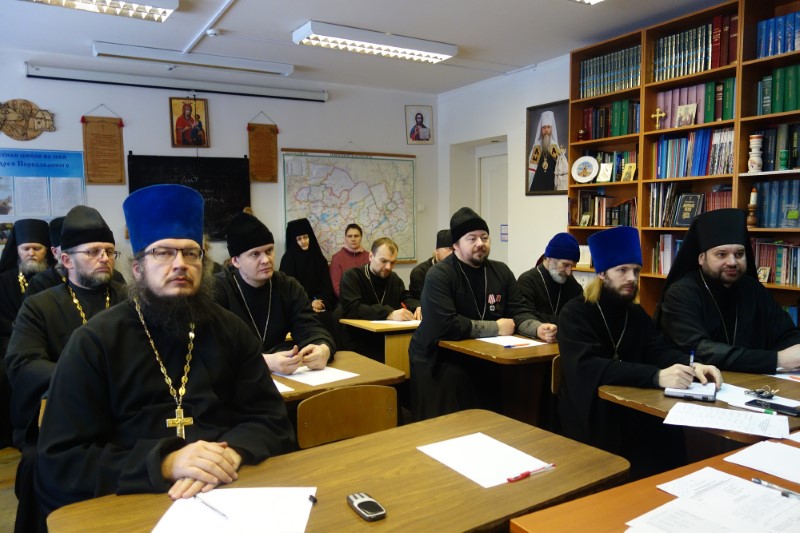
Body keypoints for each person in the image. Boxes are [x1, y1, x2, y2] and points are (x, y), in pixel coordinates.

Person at [36, 185, 295, 516]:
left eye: (191, 253)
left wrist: (232, 454)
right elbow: (61, 460)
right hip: (131, 503)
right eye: (163, 253)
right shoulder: (94, 342)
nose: (180, 264)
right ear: (137, 268)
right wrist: (166, 462)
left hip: (227, 491)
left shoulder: (231, 330)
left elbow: (271, 419)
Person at [557, 226, 721, 479]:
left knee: (669, 434)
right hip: (591, 413)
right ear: (602, 273)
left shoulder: (634, 313)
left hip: (632, 408)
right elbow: (587, 367)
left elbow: (658, 349)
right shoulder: (575, 313)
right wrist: (656, 377)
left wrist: (693, 365)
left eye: (635, 270)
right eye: (622, 270)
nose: (631, 278)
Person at [6, 205, 127, 533]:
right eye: (93, 252)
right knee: (37, 463)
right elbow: (22, 363)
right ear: (66, 259)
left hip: (124, 409)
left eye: (109, 251)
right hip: (63, 416)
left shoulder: (129, 298)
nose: (104, 258)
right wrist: (84, 378)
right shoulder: (40, 305)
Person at [409, 207, 557, 420]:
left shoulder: (501, 271)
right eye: (472, 238)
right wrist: (496, 327)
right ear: (455, 245)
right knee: (457, 397)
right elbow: (445, 323)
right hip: (439, 358)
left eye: (484, 237)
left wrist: (538, 329)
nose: (480, 243)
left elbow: (519, 310)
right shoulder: (439, 274)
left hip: (484, 356)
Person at [656, 208, 800, 374]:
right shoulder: (680, 294)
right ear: (701, 258)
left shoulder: (753, 289)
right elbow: (700, 350)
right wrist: (778, 360)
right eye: (721, 254)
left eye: (739, 254)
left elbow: (786, 334)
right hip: (702, 382)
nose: (732, 262)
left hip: (755, 381)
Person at [215, 211, 335, 375]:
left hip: (282, 378)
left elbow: (311, 329)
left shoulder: (288, 286)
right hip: (235, 379)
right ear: (235, 261)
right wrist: (265, 361)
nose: (266, 260)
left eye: (269, 251)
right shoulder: (217, 289)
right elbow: (213, 351)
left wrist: (323, 349)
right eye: (255, 254)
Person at [0, 218, 53, 448]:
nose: (31, 253)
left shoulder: (54, 279)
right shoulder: (3, 281)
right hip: (7, 343)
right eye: (26, 248)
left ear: (46, 251)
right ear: (17, 250)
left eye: (37, 248)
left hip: (45, 343)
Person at [339, 237, 420, 360]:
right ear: (371, 256)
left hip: (389, 340)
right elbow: (352, 309)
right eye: (384, 261)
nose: (388, 267)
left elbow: (406, 297)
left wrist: (418, 307)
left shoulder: (393, 278)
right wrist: (389, 314)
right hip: (359, 341)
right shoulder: (352, 276)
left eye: (393, 262)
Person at [517, 232, 584, 324]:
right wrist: (565, 320)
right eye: (565, 265)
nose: (569, 272)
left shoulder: (571, 282)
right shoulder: (527, 281)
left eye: (572, 266)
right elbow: (526, 317)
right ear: (550, 259)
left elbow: (581, 313)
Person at [527, 110, 568, 192]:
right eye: (544, 127)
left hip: (551, 184)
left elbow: (561, 168)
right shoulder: (536, 147)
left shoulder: (555, 147)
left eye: (548, 127)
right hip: (536, 186)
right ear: (541, 129)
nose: (546, 130)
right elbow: (530, 170)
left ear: (552, 129)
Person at [409, 229, 453, 300]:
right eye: (450, 249)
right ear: (437, 250)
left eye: (456, 250)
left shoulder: (460, 269)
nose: (453, 253)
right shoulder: (420, 272)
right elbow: (422, 301)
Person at [329, 223, 370, 298]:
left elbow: (372, 282)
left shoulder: (369, 256)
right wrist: (351, 301)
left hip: (367, 299)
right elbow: (336, 287)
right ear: (345, 238)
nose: (353, 239)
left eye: (356, 236)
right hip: (346, 301)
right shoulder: (337, 258)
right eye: (350, 236)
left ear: (361, 237)